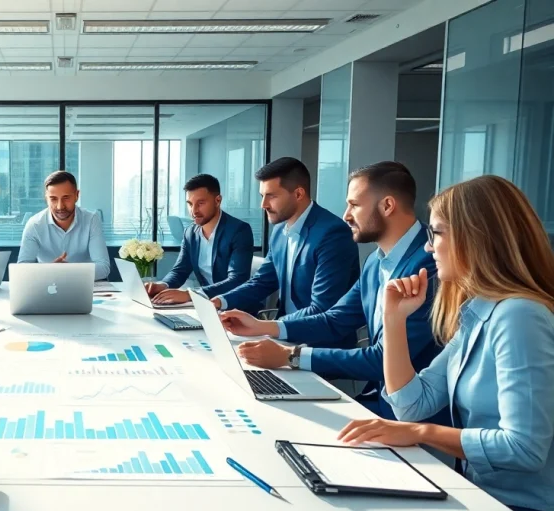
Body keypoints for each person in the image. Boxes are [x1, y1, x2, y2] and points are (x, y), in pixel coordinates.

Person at [339, 175, 554, 511]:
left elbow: (524, 449)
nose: (427, 247)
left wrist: (421, 433)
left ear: (476, 239)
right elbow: (411, 405)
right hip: (485, 498)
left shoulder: (519, 316)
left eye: (436, 233)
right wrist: (394, 320)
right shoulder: (480, 311)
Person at [220, 162, 443, 419]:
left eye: (355, 205)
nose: (346, 214)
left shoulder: (429, 266)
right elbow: (336, 319)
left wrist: (291, 356)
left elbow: (382, 359)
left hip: (413, 418)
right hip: (379, 402)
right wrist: (264, 326)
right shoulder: (375, 261)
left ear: (388, 206)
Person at [212, 157, 360, 348]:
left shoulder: (332, 234)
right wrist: (219, 302)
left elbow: (322, 308)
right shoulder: (280, 231)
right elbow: (262, 283)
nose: (263, 204)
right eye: (262, 195)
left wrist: (266, 327)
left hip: (319, 343)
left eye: (271, 196)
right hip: (282, 334)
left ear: (298, 194)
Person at [144, 174, 254, 305]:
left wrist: (191, 295)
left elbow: (236, 280)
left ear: (218, 201)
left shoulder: (239, 231)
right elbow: (180, 271)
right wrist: (162, 285)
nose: (193, 210)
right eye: (190, 204)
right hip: (206, 307)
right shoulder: (190, 233)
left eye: (200, 203)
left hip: (234, 308)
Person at [17, 170, 110, 281]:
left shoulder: (91, 220)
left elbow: (103, 267)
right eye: (53, 199)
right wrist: (51, 271)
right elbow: (22, 269)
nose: (60, 206)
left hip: (84, 286)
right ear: (46, 198)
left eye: (66, 198)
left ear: (77, 195)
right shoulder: (34, 225)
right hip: (48, 286)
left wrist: (67, 272)